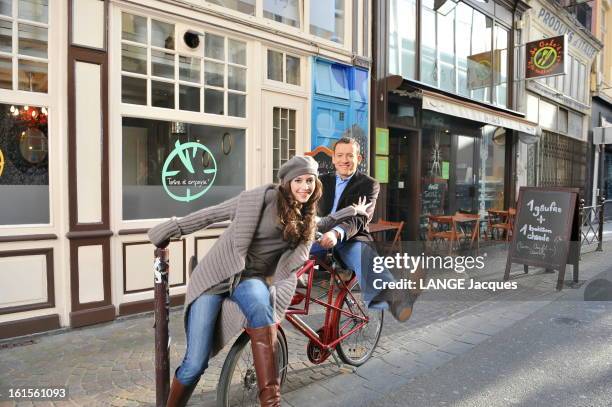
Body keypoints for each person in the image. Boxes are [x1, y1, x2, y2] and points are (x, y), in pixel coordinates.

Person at [148, 155, 371, 407]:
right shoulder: (261, 198)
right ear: (287, 182)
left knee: (262, 310)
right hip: (216, 277)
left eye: (310, 181)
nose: (304, 186)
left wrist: (352, 211)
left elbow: (323, 222)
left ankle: (270, 401)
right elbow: (213, 214)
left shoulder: (305, 215)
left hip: (250, 279)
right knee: (195, 362)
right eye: (298, 180)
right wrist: (171, 229)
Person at [315, 136, 416, 322]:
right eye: (340, 155)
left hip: (350, 238)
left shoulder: (368, 184)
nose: (345, 160)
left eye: (350, 156)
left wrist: (337, 233)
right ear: (333, 159)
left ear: (359, 159)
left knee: (364, 256)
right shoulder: (321, 182)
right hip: (320, 234)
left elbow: (360, 219)